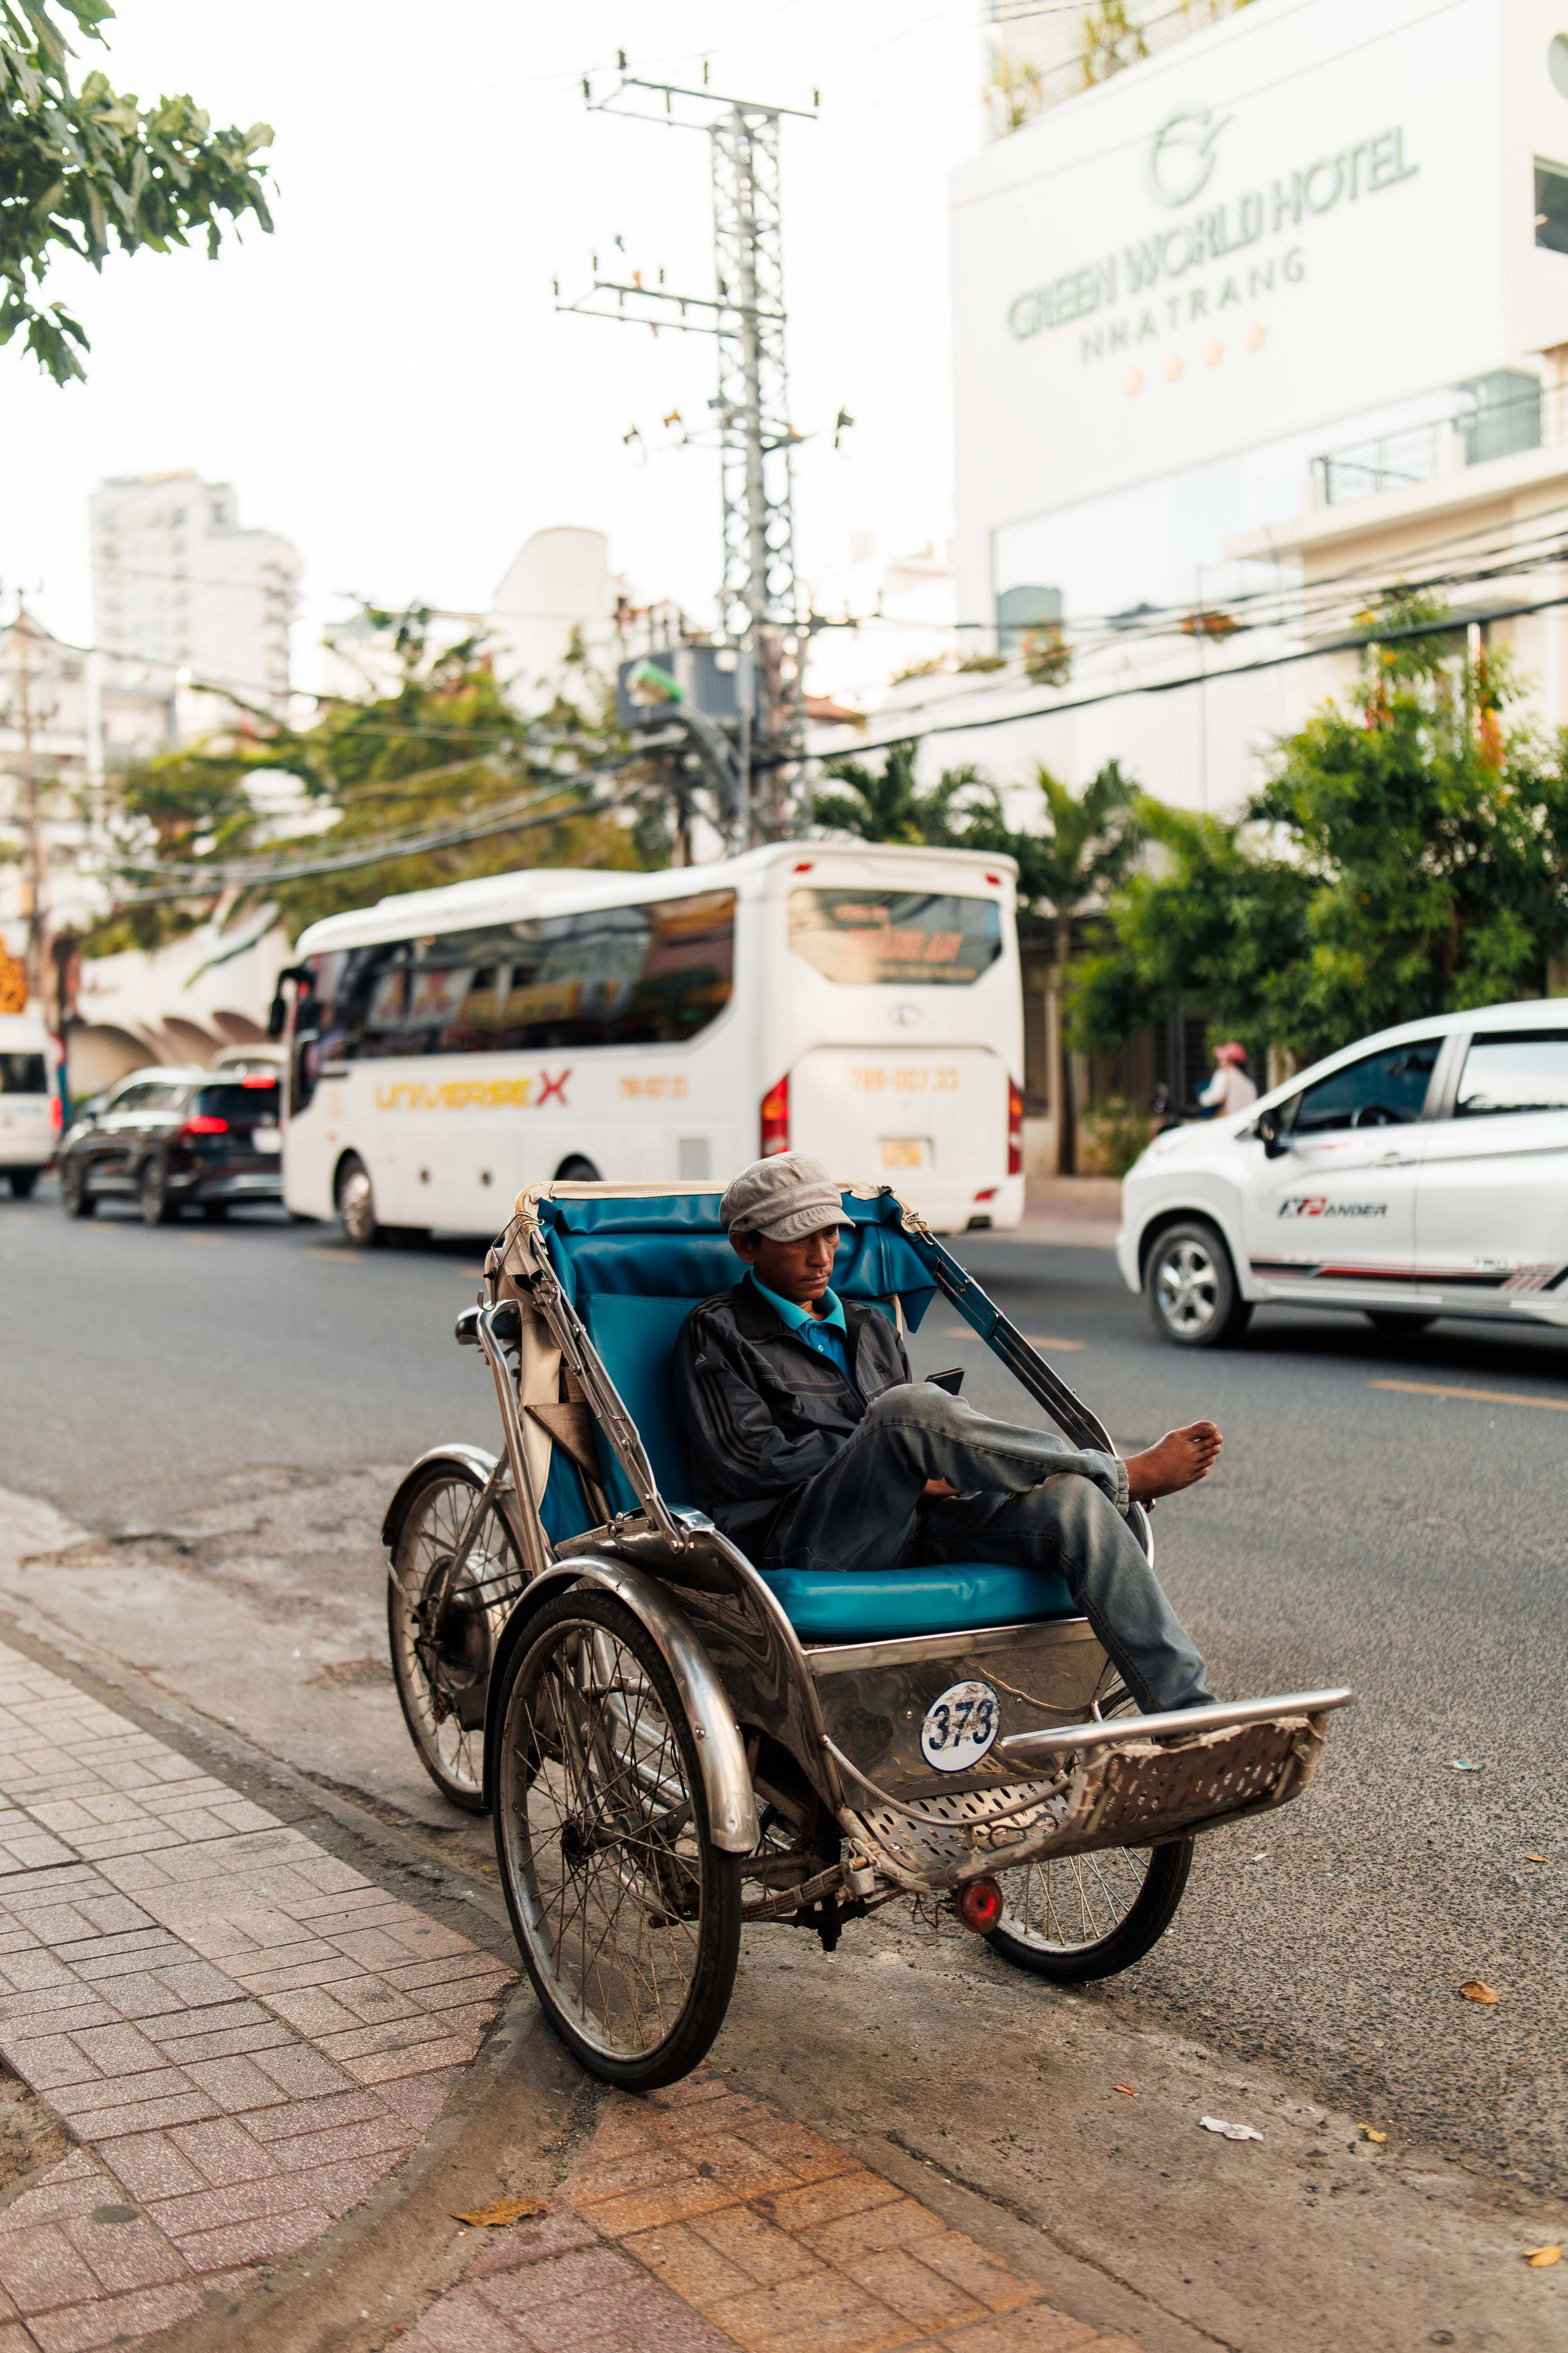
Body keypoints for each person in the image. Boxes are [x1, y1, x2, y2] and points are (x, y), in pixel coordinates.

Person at [673, 1153, 1221, 1715]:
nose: (822, 1256)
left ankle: (1189, 1712)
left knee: (1072, 1502)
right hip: (804, 1540)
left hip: (908, 1525)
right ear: (747, 1245)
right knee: (906, 1409)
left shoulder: (869, 1326)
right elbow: (750, 1461)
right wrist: (897, 1459)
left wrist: (922, 1469)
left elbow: (906, 1441)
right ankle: (1117, 1474)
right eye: (798, 1240)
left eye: (831, 1234)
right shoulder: (717, 1330)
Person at [1197, 1041, 1258, 1118]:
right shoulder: (1249, 1084)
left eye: (1221, 1059)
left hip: (1229, 1124)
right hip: (1246, 1126)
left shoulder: (1224, 1074)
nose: (1219, 1062)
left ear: (1229, 1060)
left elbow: (1215, 1097)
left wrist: (1201, 1097)